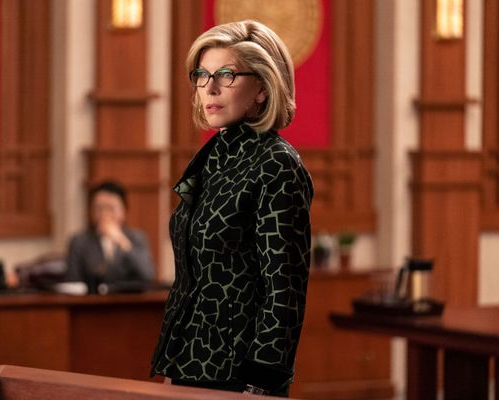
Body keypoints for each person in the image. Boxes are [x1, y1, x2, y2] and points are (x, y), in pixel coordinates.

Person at [150, 20, 314, 397]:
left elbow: (284, 290)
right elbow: (191, 279)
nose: (210, 88)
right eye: (202, 75)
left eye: (226, 75)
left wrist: (262, 383)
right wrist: (172, 363)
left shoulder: (277, 164)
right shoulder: (211, 158)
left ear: (262, 87)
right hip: (187, 362)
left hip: (240, 374)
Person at [65, 181, 155, 293]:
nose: (104, 214)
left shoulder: (137, 238)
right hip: (91, 301)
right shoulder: (80, 241)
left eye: (111, 208)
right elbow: (73, 283)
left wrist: (122, 241)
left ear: (123, 211)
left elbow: (147, 275)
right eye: (99, 208)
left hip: (129, 301)